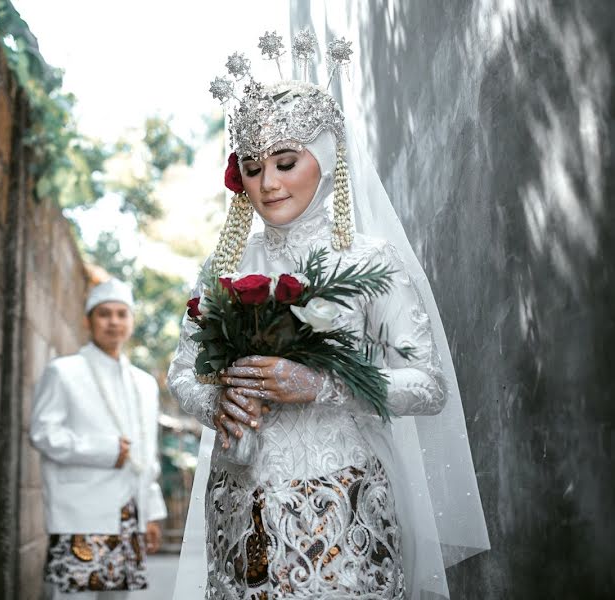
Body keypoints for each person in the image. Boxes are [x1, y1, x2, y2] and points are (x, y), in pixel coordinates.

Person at [167, 32, 489, 599]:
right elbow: (182, 370)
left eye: (286, 162)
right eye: (251, 166)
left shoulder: (369, 260)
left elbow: (428, 385)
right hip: (239, 506)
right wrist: (218, 400)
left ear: (326, 159)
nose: (268, 184)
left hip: (341, 501)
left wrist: (322, 384)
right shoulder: (225, 264)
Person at [31, 278, 167, 599]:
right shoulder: (63, 372)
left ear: (131, 321)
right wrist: (105, 451)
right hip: (81, 512)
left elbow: (148, 455)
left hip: (129, 514)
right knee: (73, 596)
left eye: (122, 314)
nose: (114, 322)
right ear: (87, 321)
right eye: (104, 314)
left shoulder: (145, 384)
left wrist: (152, 513)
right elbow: (43, 433)